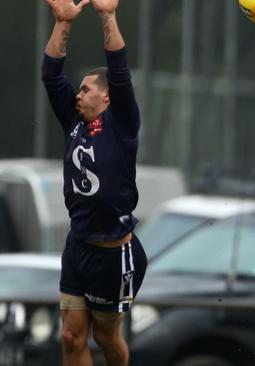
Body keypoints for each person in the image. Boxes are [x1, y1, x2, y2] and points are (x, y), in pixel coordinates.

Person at [41, 0, 147, 365]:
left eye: (86, 89)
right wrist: (62, 22)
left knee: (105, 336)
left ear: (107, 96)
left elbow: (119, 70)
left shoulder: (123, 123)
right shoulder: (74, 121)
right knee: (71, 337)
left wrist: (107, 15)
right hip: (78, 246)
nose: (78, 94)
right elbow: (52, 75)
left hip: (112, 255)